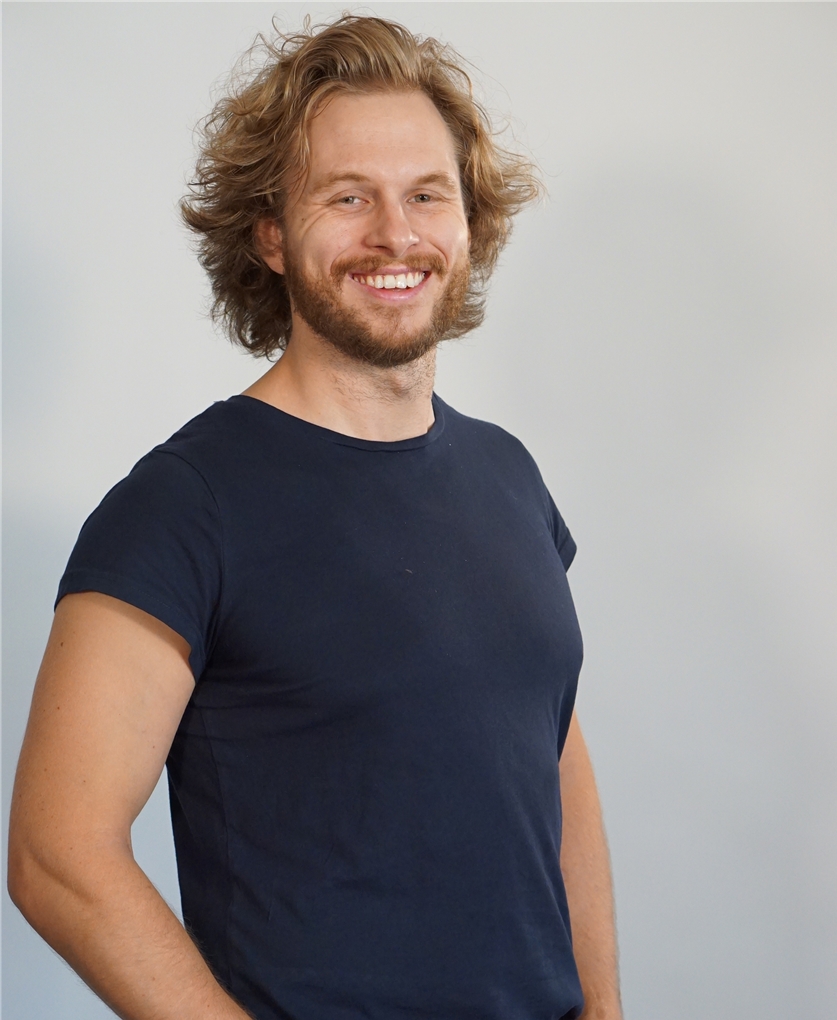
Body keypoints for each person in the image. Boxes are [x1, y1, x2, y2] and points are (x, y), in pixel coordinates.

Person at [8, 15, 622, 1020]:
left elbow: (550, 761)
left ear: (469, 222)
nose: (397, 234)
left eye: (427, 194)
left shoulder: (508, 476)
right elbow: (56, 854)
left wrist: (603, 1009)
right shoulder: (183, 506)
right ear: (271, 235)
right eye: (348, 197)